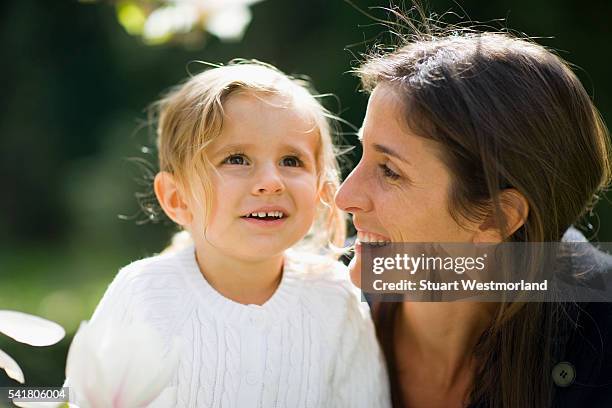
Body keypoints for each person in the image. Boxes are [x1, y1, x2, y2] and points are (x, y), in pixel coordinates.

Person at [72, 61, 390, 407]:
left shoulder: (334, 297)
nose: (271, 182)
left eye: (291, 161)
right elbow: (79, 397)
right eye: (237, 159)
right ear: (177, 199)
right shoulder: (144, 294)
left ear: (320, 189)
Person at [335, 24, 612, 408]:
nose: (344, 196)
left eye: (390, 171)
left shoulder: (601, 343)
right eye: (362, 151)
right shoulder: (310, 305)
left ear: (497, 218)